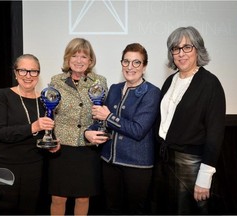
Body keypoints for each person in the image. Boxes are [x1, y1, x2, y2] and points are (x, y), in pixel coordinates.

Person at [154, 26, 226, 214]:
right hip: (165, 162)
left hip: (192, 166)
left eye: (187, 47)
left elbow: (215, 135)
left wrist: (205, 177)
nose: (181, 53)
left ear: (198, 50)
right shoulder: (170, 81)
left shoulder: (210, 84)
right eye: (176, 48)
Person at [85, 43, 161, 214]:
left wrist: (109, 117)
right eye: (126, 62)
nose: (130, 67)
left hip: (137, 166)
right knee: (111, 209)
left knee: (134, 211)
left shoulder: (152, 92)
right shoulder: (114, 88)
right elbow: (100, 119)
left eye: (136, 62)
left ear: (145, 66)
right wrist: (88, 132)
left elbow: (138, 130)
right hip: (109, 162)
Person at [0, 54, 60, 215]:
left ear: (38, 74)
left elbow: (46, 132)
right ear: (15, 73)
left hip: (32, 166)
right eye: (23, 71)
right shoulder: (3, 95)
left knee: (29, 211)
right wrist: (32, 127)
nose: (28, 76)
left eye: (33, 71)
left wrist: (52, 142)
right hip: (3, 165)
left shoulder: (45, 99)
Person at [48, 38, 108, 215]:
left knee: (83, 197)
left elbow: (101, 115)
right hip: (61, 148)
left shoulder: (100, 81)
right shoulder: (56, 81)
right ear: (68, 58)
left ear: (90, 61)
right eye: (74, 55)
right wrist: (51, 138)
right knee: (58, 197)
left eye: (84, 56)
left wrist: (89, 134)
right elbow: (50, 113)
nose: (79, 60)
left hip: (87, 148)